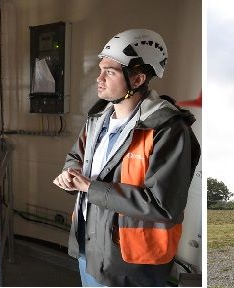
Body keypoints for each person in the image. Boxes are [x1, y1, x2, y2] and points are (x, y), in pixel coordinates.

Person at [52, 29, 201, 287]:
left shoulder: (168, 129)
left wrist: (90, 187)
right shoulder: (97, 119)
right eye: (100, 70)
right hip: (88, 245)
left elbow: (163, 205)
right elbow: (76, 156)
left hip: (131, 265)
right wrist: (70, 173)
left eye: (109, 72)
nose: (99, 79)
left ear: (138, 79)